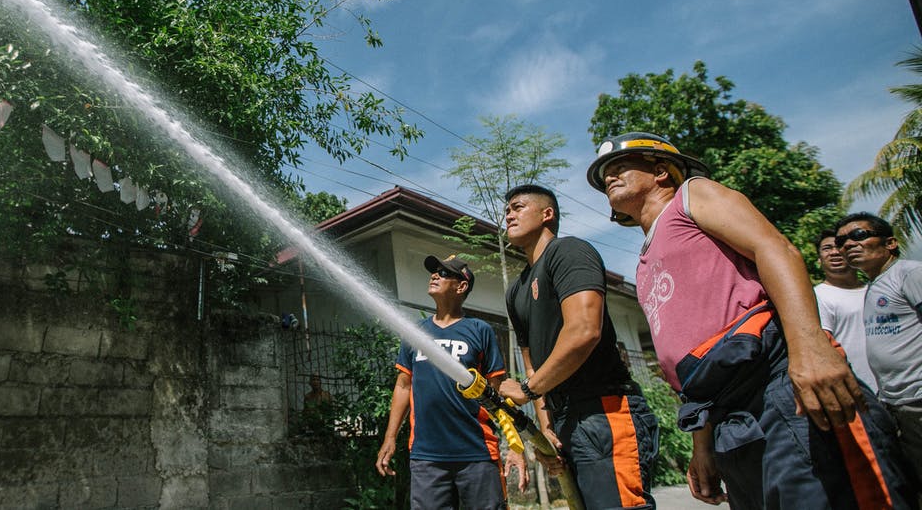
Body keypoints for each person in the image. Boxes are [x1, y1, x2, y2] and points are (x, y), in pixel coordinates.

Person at [587, 132, 913, 509]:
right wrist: (702, 444)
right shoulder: (643, 266)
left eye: (620, 166)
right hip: (727, 417)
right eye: (606, 173)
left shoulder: (693, 196)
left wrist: (811, 347)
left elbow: (775, 247)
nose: (609, 176)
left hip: (777, 386)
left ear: (661, 171)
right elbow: (688, 360)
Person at [495, 184, 658, 510]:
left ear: (547, 214)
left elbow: (584, 331)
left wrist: (528, 389)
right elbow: (532, 366)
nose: (508, 215)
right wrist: (546, 433)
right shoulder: (517, 291)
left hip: (604, 411)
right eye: (506, 211)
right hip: (565, 419)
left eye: (517, 207)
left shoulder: (568, 252)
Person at [376, 255, 509, 510]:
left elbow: (497, 390)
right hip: (427, 456)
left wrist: (515, 447)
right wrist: (390, 437)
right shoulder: (416, 332)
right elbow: (404, 386)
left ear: (462, 286)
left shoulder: (480, 330)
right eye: (434, 272)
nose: (435, 275)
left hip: (476, 452)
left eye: (445, 273)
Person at [836, 212, 922, 490]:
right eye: (841, 241)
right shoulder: (873, 286)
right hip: (897, 404)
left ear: (891, 243)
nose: (848, 244)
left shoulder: (909, 273)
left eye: (858, 235)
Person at [813, 229, 876, 390]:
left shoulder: (877, 290)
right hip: (856, 390)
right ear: (819, 260)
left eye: (839, 246)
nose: (834, 252)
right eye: (827, 248)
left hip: (899, 391)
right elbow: (821, 349)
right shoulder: (816, 296)